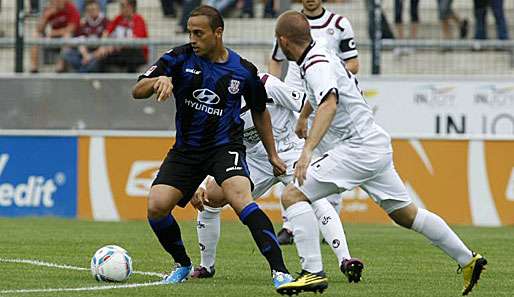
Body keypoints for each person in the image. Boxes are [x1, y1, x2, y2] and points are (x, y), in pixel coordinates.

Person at [274, 11, 487, 296]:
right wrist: (303, 117)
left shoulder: (315, 65)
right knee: (406, 214)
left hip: (357, 148)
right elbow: (323, 93)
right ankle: (468, 259)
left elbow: (329, 103)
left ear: (283, 41)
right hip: (373, 144)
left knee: (292, 195)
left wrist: (307, 151)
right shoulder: (319, 53)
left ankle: (313, 272)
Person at [131, 5, 311, 295]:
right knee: (156, 206)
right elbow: (137, 90)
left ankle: (280, 271)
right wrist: (157, 81)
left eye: (198, 33)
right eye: (190, 32)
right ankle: (182, 264)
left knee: (241, 198)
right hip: (186, 150)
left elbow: (260, 112)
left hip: (224, 147)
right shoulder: (179, 58)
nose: (192, 38)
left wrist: (273, 155)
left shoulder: (243, 70)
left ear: (218, 33)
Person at [189, 73, 363, 286]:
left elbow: (306, 104)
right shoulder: (213, 106)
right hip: (255, 161)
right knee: (209, 198)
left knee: (315, 199)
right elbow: (210, 148)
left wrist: (310, 139)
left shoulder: (267, 85)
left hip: (291, 153)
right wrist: (199, 182)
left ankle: (345, 260)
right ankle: (206, 266)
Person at [268, 0, 359, 245]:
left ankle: (331, 222)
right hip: (295, 101)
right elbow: (276, 59)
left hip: (323, 98)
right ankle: (289, 225)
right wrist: (274, 88)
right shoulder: (289, 23)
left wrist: (332, 76)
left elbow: (354, 63)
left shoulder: (338, 24)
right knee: (292, 159)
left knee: (329, 157)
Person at [96, 0, 148, 73]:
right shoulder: (119, 18)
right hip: (120, 51)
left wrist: (114, 46)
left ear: (131, 7)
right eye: (121, 6)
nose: (121, 8)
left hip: (136, 53)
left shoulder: (138, 19)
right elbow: (107, 32)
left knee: (131, 53)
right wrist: (102, 46)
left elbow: (135, 41)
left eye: (123, 6)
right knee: (103, 56)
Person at [30, 0, 80, 73]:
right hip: (53, 38)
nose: (56, 2)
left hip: (69, 39)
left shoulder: (70, 8)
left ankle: (60, 67)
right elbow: (39, 29)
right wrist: (46, 16)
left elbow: (71, 29)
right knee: (35, 35)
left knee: (67, 36)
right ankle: (34, 67)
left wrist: (53, 33)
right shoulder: (50, 9)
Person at [61, 0, 108, 73]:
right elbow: (80, 38)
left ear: (98, 9)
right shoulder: (84, 22)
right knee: (68, 54)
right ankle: (83, 73)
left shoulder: (105, 21)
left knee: (98, 58)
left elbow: (104, 43)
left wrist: (91, 56)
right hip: (85, 50)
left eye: (94, 9)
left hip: (97, 52)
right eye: (89, 10)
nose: (92, 12)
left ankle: (81, 74)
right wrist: (85, 55)